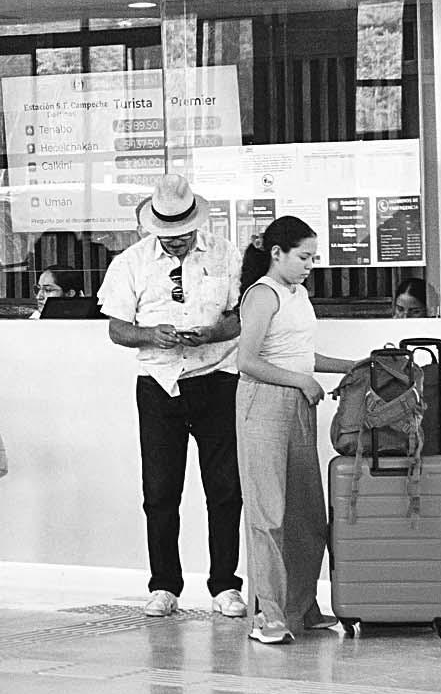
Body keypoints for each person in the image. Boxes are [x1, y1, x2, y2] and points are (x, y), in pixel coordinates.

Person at [96, 175, 247, 620]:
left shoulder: (226, 253)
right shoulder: (131, 263)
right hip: (159, 384)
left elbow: (240, 316)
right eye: (167, 233)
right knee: (160, 492)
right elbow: (117, 328)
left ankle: (225, 586)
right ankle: (164, 585)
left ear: (196, 222)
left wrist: (213, 333)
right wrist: (150, 334)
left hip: (217, 378)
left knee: (225, 489)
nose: (176, 240)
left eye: (182, 232)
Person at [233, 217, 359, 644]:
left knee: (307, 514)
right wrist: (301, 381)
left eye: (313, 258)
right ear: (277, 253)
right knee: (268, 514)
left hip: (299, 405)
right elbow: (247, 361)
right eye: (304, 257)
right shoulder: (262, 295)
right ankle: (267, 615)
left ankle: (301, 606)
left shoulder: (298, 295)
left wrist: (353, 366)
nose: (310, 265)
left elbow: (302, 354)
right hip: (263, 404)